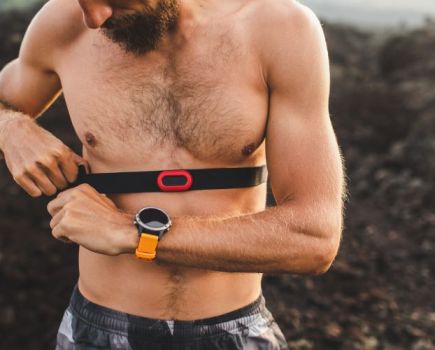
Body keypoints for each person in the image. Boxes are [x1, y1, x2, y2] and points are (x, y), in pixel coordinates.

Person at [0, 0, 346, 349]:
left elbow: (314, 240)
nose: (95, 18)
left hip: (235, 332)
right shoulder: (64, 21)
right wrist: (11, 127)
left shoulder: (279, 28)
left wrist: (133, 233)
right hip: (97, 333)